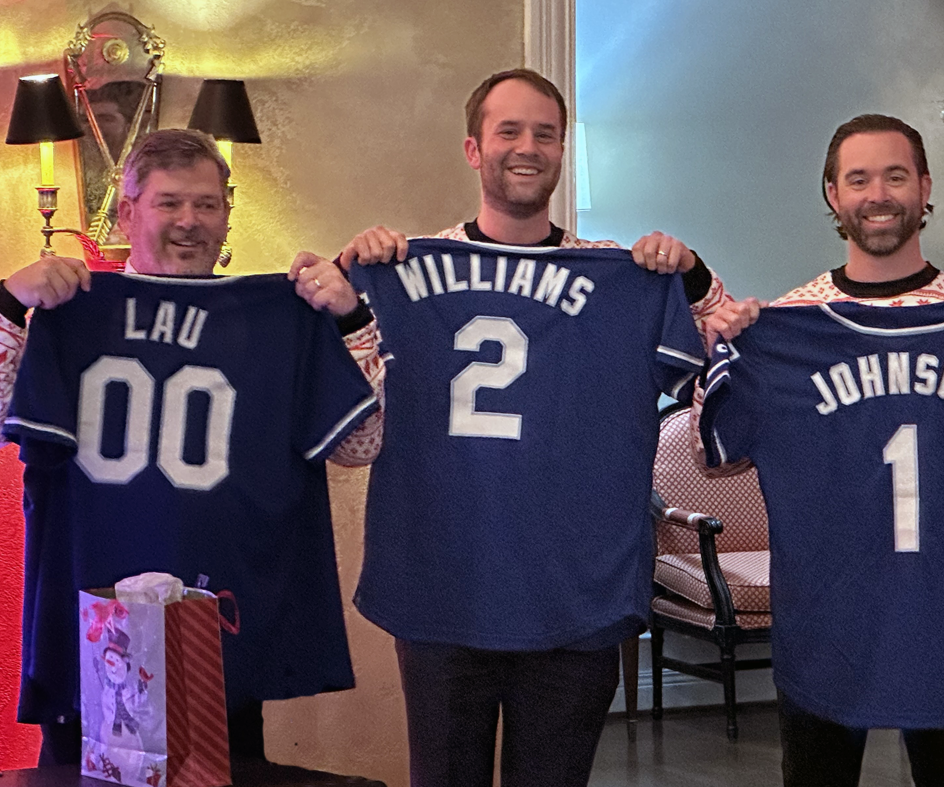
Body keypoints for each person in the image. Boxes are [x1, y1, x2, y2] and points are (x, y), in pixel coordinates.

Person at [292, 68, 731, 787]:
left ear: (562, 151)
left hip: (575, 594)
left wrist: (693, 276)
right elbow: (349, 436)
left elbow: (734, 368)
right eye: (509, 130)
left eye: (546, 133)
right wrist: (349, 285)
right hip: (441, 586)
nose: (528, 147)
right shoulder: (398, 266)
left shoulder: (620, 277)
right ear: (473, 148)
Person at [703, 114, 944, 787]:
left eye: (895, 175)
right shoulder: (788, 324)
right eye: (859, 178)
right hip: (828, 613)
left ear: (925, 187)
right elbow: (723, 458)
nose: (878, 193)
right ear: (833, 195)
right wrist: (728, 353)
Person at [0, 128, 380, 767]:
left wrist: (352, 320)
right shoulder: (71, 309)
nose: (189, 222)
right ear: (127, 211)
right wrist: (9, 303)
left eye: (206, 204)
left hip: (223, 634)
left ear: (228, 213)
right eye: (169, 203)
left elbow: (362, 445)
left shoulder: (276, 316)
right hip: (91, 633)